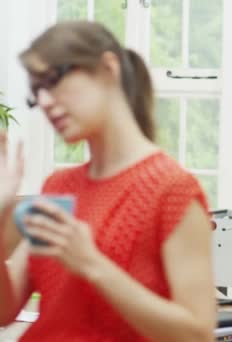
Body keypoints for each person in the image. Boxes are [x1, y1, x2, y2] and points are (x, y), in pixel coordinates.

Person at [0, 21, 216, 341]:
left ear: (108, 67)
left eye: (53, 80)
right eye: (36, 93)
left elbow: (197, 334)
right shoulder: (56, 187)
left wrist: (92, 265)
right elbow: (6, 311)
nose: (44, 101)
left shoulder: (173, 190)